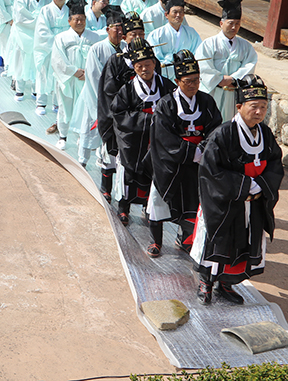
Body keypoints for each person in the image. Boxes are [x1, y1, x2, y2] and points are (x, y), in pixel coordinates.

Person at [191, 75, 283, 305]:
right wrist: (244, 185)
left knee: (241, 243)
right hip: (226, 200)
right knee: (217, 239)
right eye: (254, 107)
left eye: (263, 107)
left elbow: (274, 163)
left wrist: (260, 186)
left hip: (252, 201)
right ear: (239, 106)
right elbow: (211, 171)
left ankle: (226, 283)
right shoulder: (223, 134)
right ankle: (206, 282)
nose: (259, 112)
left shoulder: (266, 134)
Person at [148, 50, 222, 258]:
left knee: (193, 201)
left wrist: (202, 150)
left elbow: (216, 129)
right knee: (158, 200)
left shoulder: (206, 101)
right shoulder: (166, 104)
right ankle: (156, 241)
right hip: (169, 162)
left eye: (197, 80)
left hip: (198, 160)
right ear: (177, 81)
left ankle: (185, 238)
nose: (194, 85)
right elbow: (163, 138)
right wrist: (190, 152)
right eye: (188, 81)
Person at [110, 38, 175, 225]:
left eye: (148, 64)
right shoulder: (128, 89)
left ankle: (149, 208)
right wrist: (148, 119)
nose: (144, 69)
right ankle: (124, 208)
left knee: (153, 174)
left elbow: (174, 108)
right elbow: (119, 113)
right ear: (135, 68)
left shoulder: (166, 85)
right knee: (129, 173)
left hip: (157, 140)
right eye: (140, 66)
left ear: (154, 64)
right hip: (134, 139)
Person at [97, 12, 152, 200]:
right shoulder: (116, 60)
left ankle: (133, 200)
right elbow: (109, 91)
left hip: (141, 120)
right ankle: (106, 187)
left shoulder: (151, 61)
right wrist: (123, 113)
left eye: (141, 34)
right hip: (119, 116)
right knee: (112, 155)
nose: (137, 38)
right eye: (133, 34)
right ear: (124, 37)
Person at [73, 5, 124, 168]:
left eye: (123, 28)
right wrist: (104, 99)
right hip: (97, 96)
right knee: (89, 128)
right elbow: (94, 77)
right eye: (117, 28)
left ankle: (105, 159)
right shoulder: (97, 48)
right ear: (108, 29)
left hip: (118, 99)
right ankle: (82, 160)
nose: (120, 32)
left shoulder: (125, 48)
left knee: (111, 133)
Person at [196, 0, 258, 121]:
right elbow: (203, 64)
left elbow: (250, 63)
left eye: (237, 24)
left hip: (233, 91)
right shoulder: (209, 43)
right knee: (209, 120)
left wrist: (233, 79)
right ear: (221, 23)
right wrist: (219, 79)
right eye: (230, 23)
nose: (234, 27)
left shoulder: (245, 46)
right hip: (213, 90)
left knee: (230, 122)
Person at [51, 0, 100, 150]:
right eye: (76, 19)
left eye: (82, 19)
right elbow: (58, 60)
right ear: (69, 20)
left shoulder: (93, 37)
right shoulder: (61, 38)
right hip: (69, 80)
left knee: (85, 108)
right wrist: (75, 72)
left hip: (87, 80)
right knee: (65, 107)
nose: (80, 22)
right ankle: (63, 136)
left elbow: (97, 58)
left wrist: (89, 73)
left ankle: (82, 136)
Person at [9, 0, 51, 102]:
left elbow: (49, 18)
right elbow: (21, 19)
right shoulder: (22, 0)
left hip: (40, 38)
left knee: (38, 64)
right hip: (24, 36)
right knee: (21, 63)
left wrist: (39, 20)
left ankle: (35, 89)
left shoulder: (48, 0)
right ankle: (20, 90)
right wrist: (40, 19)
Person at [33, 0, 69, 116]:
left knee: (59, 76)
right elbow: (42, 31)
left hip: (64, 48)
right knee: (43, 73)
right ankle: (41, 102)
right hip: (48, 48)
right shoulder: (46, 10)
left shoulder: (69, 10)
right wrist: (57, 41)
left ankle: (57, 103)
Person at [147, 0, 202, 80]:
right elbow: (156, 60)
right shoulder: (156, 35)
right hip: (165, 77)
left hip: (187, 76)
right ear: (166, 15)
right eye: (175, 12)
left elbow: (199, 53)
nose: (178, 15)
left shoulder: (192, 33)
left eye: (181, 12)